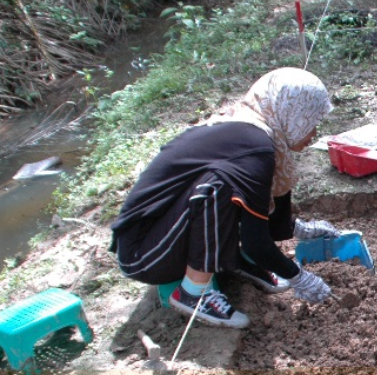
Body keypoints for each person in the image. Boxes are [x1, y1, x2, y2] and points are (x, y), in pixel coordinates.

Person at [110, 68, 341, 329]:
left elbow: (267, 221)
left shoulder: (259, 134)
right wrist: (299, 277)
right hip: (145, 253)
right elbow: (256, 241)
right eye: (311, 121)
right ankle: (194, 292)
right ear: (293, 114)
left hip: (170, 231)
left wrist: (299, 229)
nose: (314, 132)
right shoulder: (256, 148)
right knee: (219, 186)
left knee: (238, 191)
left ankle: (238, 261)